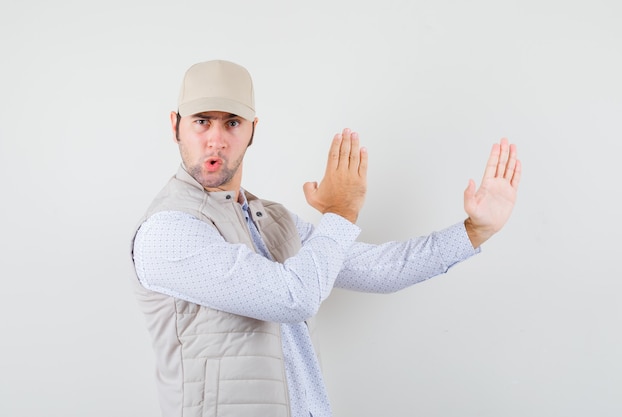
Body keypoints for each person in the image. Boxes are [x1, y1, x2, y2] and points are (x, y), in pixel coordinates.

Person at [130, 59, 521, 417]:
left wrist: (475, 231)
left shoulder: (271, 219)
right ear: (175, 125)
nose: (216, 139)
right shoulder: (169, 230)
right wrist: (341, 212)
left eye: (232, 122)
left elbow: (377, 269)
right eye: (201, 121)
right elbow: (292, 297)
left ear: (252, 131)